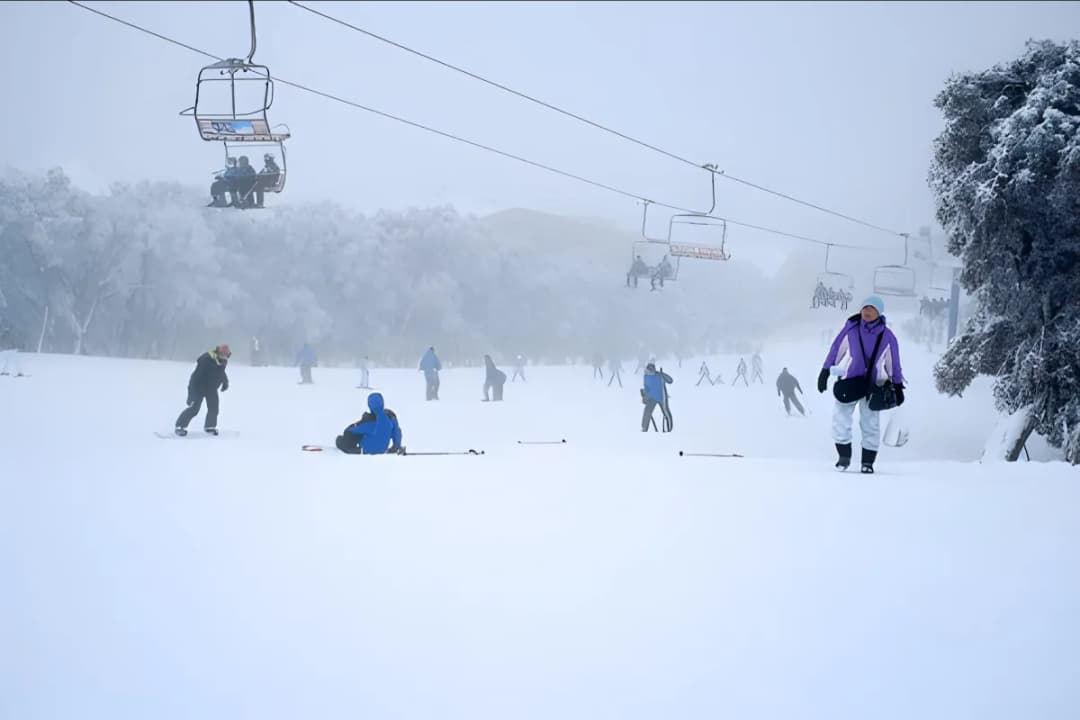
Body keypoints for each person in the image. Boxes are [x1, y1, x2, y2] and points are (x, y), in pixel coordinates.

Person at [817, 295, 905, 474]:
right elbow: (836, 349)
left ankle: (867, 462)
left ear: (879, 313)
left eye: (871, 309)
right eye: (865, 308)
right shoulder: (851, 329)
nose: (867, 312)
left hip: (874, 386)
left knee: (871, 424)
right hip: (850, 382)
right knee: (840, 420)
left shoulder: (887, 337)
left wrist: (897, 384)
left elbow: (893, 363)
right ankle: (844, 457)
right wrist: (825, 371)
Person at [175, 344, 231, 436]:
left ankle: (210, 427)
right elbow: (195, 378)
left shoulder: (222, 360)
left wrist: (225, 382)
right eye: (224, 355)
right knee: (194, 409)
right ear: (218, 352)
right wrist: (191, 395)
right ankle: (180, 426)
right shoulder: (206, 360)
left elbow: (221, 371)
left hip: (211, 389)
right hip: (198, 388)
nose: (225, 357)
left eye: (227, 355)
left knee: (214, 408)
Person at [335, 392, 404, 455]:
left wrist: (357, 424)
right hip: (382, 450)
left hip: (364, 451)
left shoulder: (370, 421)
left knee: (340, 440)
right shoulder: (391, 417)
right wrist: (395, 447)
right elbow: (397, 433)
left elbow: (352, 430)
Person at [641, 362, 674, 432]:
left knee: (666, 413)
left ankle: (669, 429)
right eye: (649, 370)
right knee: (647, 412)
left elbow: (670, 380)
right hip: (651, 398)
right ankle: (644, 429)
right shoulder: (646, 376)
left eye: (652, 370)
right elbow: (647, 387)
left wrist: (662, 375)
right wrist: (644, 396)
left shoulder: (659, 375)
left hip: (662, 397)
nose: (651, 372)